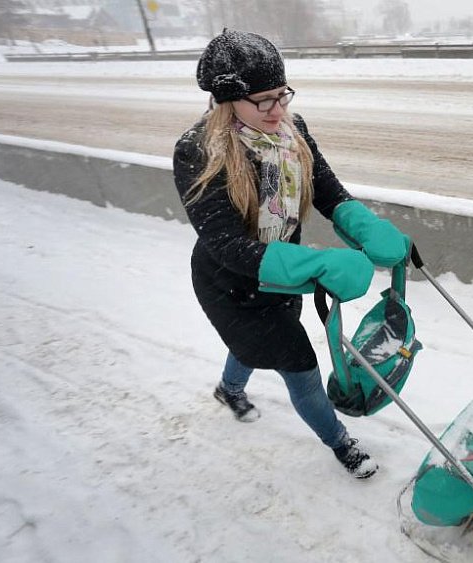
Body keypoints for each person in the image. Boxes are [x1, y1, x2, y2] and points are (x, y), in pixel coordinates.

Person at [172, 29, 410, 479]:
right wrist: (318, 264)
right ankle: (341, 442)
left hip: (282, 276)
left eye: (282, 95)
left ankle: (229, 388)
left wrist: (366, 226)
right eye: (263, 100)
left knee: (256, 346)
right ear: (227, 101)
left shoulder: (290, 130)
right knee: (297, 362)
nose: (278, 109)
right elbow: (225, 244)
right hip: (230, 284)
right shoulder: (198, 150)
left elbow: (327, 188)